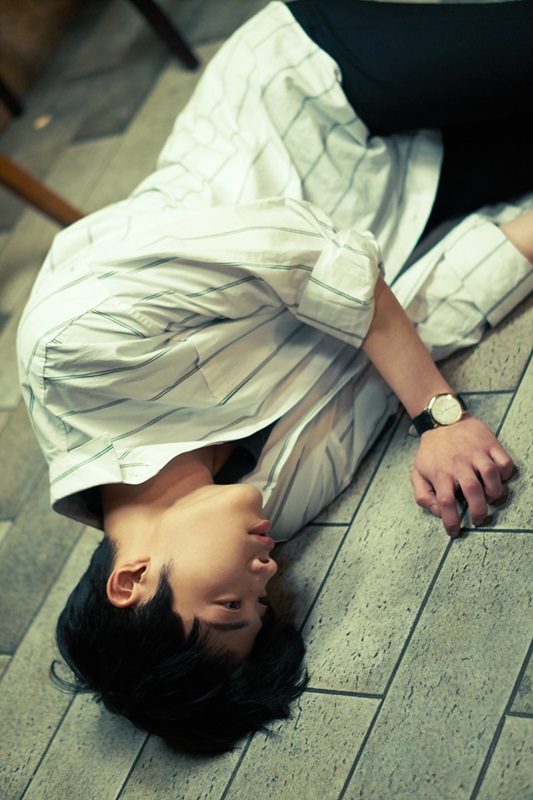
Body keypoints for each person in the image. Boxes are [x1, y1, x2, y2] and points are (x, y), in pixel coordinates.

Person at [17, 0, 533, 756]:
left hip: (316, 96)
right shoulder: (272, 510)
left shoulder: (74, 351)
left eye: (230, 602)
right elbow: (411, 329)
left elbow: (296, 248)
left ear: (132, 580)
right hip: (402, 197)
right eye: (261, 602)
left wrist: (436, 414)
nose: (264, 572)